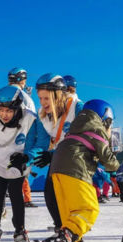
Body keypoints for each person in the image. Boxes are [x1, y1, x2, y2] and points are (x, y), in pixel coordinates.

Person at [38, 99, 119, 242]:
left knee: (71, 216)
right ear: (106, 119)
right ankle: (59, 241)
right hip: (76, 170)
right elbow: (110, 162)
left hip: (56, 172)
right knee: (88, 209)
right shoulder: (96, 128)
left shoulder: (75, 130)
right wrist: (120, 163)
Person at [0, 86, 48, 242]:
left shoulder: (30, 118)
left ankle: (20, 234)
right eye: (1, 109)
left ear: (17, 107)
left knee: (16, 193)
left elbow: (39, 141)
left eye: (9, 110)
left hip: (19, 158)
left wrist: (27, 157)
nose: (4, 114)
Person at [33, 73, 84, 231]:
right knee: (50, 194)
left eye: (47, 98)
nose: (43, 103)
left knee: (70, 199)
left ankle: (73, 236)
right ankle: (60, 229)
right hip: (58, 158)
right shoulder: (42, 114)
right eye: (40, 98)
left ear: (59, 95)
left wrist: (54, 154)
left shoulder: (77, 107)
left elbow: (83, 138)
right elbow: (41, 143)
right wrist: (26, 157)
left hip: (76, 159)